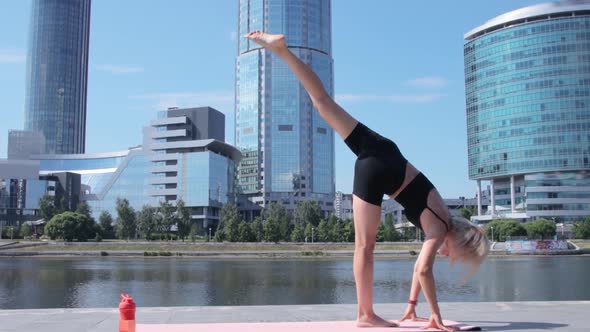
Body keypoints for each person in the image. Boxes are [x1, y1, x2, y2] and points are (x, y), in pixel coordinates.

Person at [245, 31, 489, 331]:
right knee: (364, 247)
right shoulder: (439, 228)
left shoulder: (440, 216)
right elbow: (424, 270)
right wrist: (435, 316)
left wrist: (412, 308)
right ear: (459, 241)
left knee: (322, 103)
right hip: (381, 172)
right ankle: (365, 314)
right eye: (455, 255)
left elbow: (420, 269)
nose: (448, 256)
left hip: (382, 149)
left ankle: (280, 51)